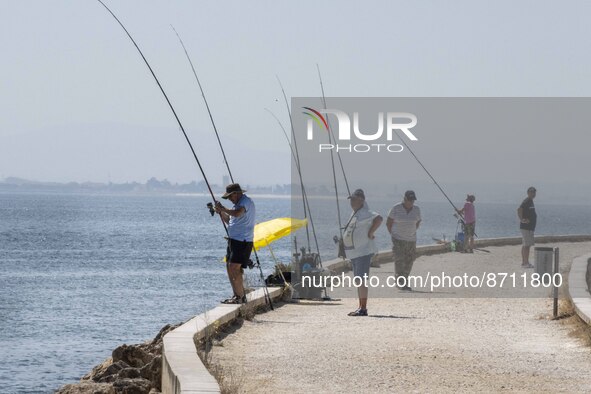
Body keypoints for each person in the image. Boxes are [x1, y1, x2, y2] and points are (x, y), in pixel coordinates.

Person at [342, 189, 383, 317]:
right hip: (355, 253)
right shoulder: (356, 213)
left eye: (354, 199)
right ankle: (360, 306)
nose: (352, 202)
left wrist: (371, 232)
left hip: (363, 252)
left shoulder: (365, 212)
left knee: (361, 280)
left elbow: (379, 218)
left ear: (361, 200)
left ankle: (363, 308)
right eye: (351, 199)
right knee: (359, 281)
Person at [215, 183, 255, 304]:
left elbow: (238, 213)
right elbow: (230, 221)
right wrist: (221, 213)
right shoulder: (237, 205)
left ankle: (240, 298)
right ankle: (236, 295)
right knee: (229, 266)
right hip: (233, 240)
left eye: (230, 197)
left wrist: (224, 209)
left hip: (242, 241)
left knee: (234, 268)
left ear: (236, 194)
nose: (229, 200)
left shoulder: (245, 202)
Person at [386, 190, 421, 291]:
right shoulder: (396, 208)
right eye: (409, 200)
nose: (411, 202)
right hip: (398, 239)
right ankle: (400, 282)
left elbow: (418, 222)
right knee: (399, 260)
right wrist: (393, 235)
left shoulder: (417, 209)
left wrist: (411, 231)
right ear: (404, 199)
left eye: (413, 200)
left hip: (411, 240)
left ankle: (404, 280)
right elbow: (388, 222)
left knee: (409, 261)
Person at [517, 186, 537, 268]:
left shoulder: (530, 201)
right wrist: (522, 219)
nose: (533, 194)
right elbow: (519, 209)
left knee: (525, 245)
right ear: (528, 193)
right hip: (526, 227)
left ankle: (524, 262)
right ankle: (526, 263)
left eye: (534, 192)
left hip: (529, 227)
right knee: (527, 245)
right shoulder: (527, 201)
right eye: (532, 192)